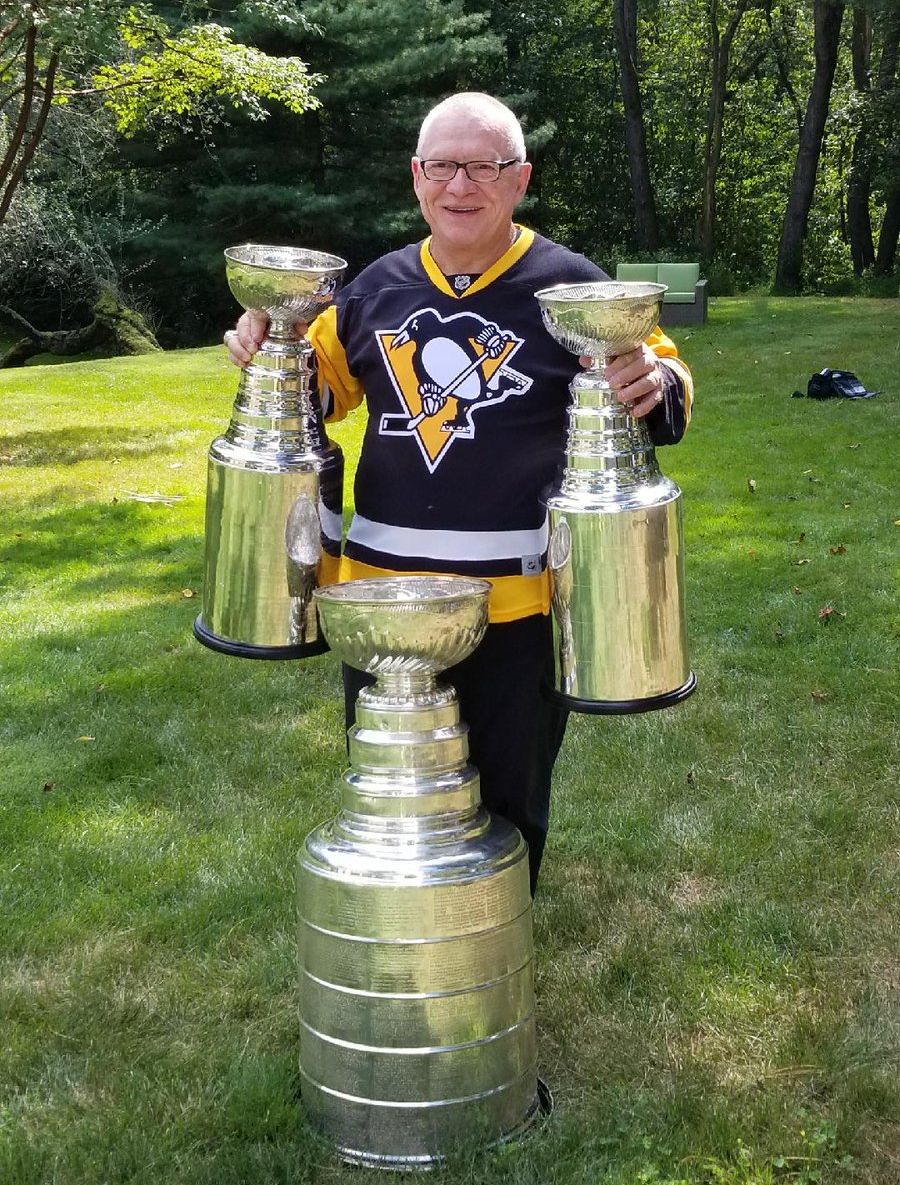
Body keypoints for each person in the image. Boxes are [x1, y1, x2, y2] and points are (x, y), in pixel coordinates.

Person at [226, 92, 693, 892]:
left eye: (483, 166)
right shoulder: (372, 290)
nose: (460, 186)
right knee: (395, 787)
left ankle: (495, 934)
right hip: (382, 604)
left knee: (509, 792)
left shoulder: (573, 288)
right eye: (442, 166)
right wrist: (267, 341)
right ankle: (410, 929)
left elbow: (663, 377)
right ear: (417, 176)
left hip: (516, 606)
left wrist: (654, 379)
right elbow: (319, 392)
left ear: (520, 179)